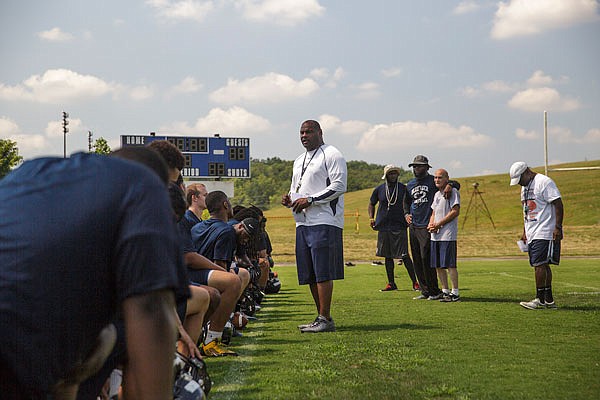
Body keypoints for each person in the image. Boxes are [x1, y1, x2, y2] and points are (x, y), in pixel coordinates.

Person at [0, 149, 181, 399]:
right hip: (19, 345)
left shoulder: (31, 171)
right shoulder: (142, 182)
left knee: (102, 336)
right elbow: (151, 308)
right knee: (112, 336)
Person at [281, 119, 347, 333]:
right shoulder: (299, 159)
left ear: (319, 132)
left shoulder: (332, 154)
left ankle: (325, 317)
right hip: (303, 222)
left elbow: (339, 186)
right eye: (301, 132)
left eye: (308, 132)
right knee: (309, 272)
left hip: (325, 220)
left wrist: (311, 199)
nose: (304, 136)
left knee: (323, 271)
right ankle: (321, 317)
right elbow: (296, 188)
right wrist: (290, 199)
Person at [190, 191, 254, 355]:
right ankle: (213, 338)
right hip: (199, 273)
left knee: (237, 276)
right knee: (232, 281)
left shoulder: (198, 226)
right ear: (225, 205)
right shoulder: (226, 231)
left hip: (192, 273)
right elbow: (219, 264)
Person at [509, 162, 564, 310]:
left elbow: (558, 203)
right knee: (541, 264)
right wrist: (525, 231)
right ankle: (549, 300)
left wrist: (558, 227)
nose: (519, 183)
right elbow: (526, 210)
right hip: (532, 231)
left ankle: (539, 299)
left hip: (545, 230)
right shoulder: (524, 187)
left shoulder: (544, 182)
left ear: (527, 172)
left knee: (539, 264)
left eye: (520, 179)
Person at [404, 155, 459, 301]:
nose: (416, 168)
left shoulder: (433, 180)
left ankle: (435, 290)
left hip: (427, 226)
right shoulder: (409, 184)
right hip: (414, 225)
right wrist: (406, 214)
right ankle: (425, 290)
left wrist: (451, 185)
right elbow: (406, 202)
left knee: (426, 258)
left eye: (420, 166)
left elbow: (453, 183)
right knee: (416, 259)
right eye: (414, 166)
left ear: (427, 167)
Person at [368, 164, 418, 292]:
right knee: (387, 255)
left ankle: (415, 283)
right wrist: (371, 218)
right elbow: (372, 203)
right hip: (383, 226)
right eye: (390, 173)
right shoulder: (379, 189)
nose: (393, 176)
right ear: (386, 176)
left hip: (399, 225)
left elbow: (411, 203)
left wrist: (409, 215)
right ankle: (391, 283)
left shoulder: (403, 188)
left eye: (395, 173)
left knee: (404, 255)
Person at [428, 169, 461, 302]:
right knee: (438, 265)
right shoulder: (437, 194)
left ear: (447, 178)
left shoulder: (453, 192)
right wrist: (431, 224)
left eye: (440, 177)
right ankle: (445, 291)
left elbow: (455, 211)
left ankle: (455, 292)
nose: (437, 180)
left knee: (449, 264)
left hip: (447, 234)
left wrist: (439, 224)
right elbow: (434, 212)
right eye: (435, 177)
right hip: (435, 235)